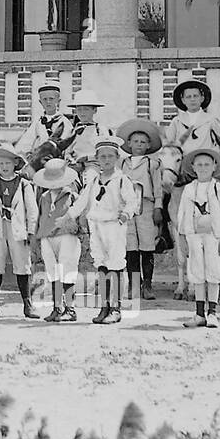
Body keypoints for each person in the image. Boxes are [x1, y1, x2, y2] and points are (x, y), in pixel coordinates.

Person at [70, 137, 137, 325]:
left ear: (116, 158)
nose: (106, 160)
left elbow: (132, 201)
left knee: (115, 264)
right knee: (101, 264)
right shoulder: (93, 180)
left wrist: (125, 214)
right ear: (97, 159)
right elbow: (82, 201)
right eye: (102, 157)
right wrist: (68, 215)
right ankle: (104, 306)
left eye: (110, 156)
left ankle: (116, 308)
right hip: (96, 224)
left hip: (114, 225)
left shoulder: (122, 180)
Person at [177, 146, 220, 329]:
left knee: (213, 272)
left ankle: (212, 313)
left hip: (213, 236)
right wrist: (182, 238)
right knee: (197, 273)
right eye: (199, 165)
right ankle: (199, 313)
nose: (203, 168)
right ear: (193, 167)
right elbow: (182, 215)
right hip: (194, 236)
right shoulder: (188, 189)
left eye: (207, 164)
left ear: (214, 166)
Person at [0, 143, 39, 319]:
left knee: (22, 264)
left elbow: (32, 210)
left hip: (18, 230)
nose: (4, 167)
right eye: (1, 164)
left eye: (8, 163)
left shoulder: (24, 184)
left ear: (15, 163)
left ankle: (27, 304)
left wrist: (31, 231)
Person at [31, 158, 84, 323]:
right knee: (52, 271)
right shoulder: (44, 197)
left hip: (65, 235)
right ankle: (57, 308)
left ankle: (70, 308)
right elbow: (39, 216)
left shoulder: (72, 195)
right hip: (47, 236)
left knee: (67, 269)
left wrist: (78, 228)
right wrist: (36, 235)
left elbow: (79, 216)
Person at [117, 118, 164, 302]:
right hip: (127, 207)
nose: (139, 145)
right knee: (131, 247)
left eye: (143, 142)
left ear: (149, 145)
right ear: (128, 143)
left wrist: (158, 207)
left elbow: (158, 187)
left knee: (147, 245)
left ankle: (148, 284)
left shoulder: (153, 164)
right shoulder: (121, 163)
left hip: (146, 206)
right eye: (135, 141)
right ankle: (134, 284)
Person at [13, 82, 74, 165]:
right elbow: (26, 141)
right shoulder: (38, 122)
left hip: (57, 161)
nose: (48, 102)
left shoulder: (65, 122)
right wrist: (23, 154)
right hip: (39, 160)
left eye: (51, 99)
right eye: (45, 99)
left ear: (58, 101)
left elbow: (68, 145)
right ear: (40, 102)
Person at [64, 89, 115, 176]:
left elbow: (105, 150)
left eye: (86, 109)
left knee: (90, 177)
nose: (82, 113)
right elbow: (67, 150)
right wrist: (69, 158)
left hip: (93, 164)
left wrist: (87, 158)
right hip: (75, 164)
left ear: (94, 110)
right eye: (79, 110)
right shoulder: (73, 130)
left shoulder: (100, 129)